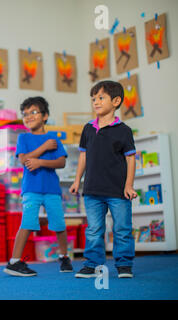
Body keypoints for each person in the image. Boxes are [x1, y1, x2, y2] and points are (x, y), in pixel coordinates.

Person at [70, 80, 137, 279]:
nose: (96, 102)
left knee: (122, 228)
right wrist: (76, 181)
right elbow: (83, 156)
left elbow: (130, 158)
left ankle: (124, 265)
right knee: (94, 230)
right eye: (93, 99)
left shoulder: (123, 130)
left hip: (118, 191)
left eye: (101, 98)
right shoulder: (88, 128)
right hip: (92, 190)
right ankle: (93, 264)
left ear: (116, 101)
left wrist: (129, 185)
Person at [4, 96, 73, 277]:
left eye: (33, 112)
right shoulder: (23, 138)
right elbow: (24, 160)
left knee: (59, 224)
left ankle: (64, 256)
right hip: (31, 190)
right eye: (25, 114)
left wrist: (40, 162)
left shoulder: (53, 138)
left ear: (45, 116)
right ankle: (14, 261)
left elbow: (61, 163)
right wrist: (43, 148)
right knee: (27, 223)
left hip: (52, 190)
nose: (29, 116)